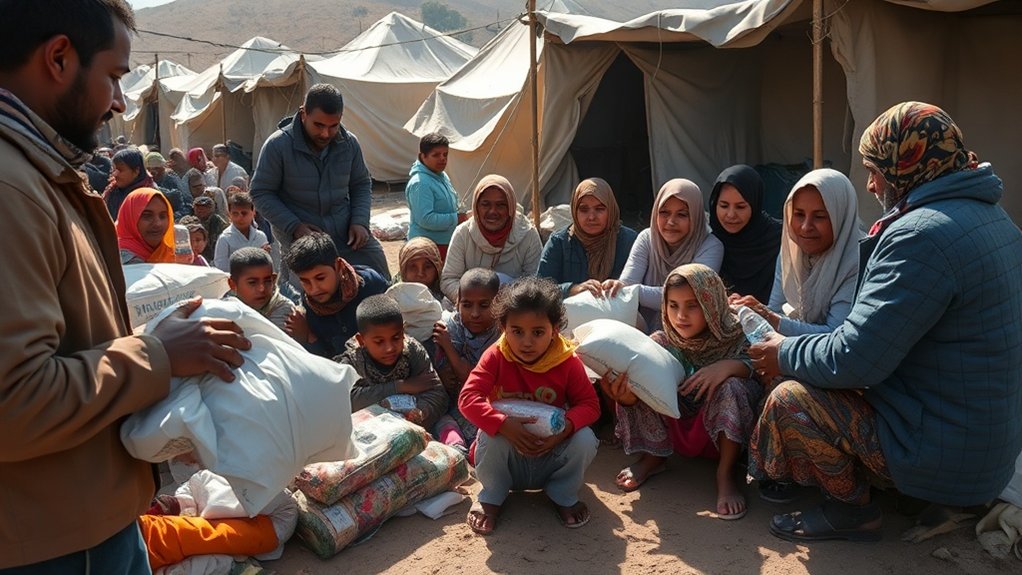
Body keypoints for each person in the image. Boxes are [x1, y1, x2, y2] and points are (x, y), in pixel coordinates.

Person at [0, 1, 249, 570]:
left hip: (81, 520)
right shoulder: (11, 188)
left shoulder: (36, 176)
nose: (119, 100)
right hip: (58, 540)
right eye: (114, 75)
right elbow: (13, 401)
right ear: (59, 57)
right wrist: (158, 356)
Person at [748, 102, 1022, 543]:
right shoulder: (994, 219)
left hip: (946, 453)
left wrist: (782, 352)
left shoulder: (921, 235)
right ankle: (914, 494)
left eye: (876, 169)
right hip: (983, 448)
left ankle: (851, 510)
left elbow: (855, 358)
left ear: (905, 166)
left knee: (790, 400)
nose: (872, 183)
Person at [601, 263, 759, 520]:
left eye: (692, 306)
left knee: (732, 386)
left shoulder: (739, 333)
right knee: (641, 368)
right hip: (677, 419)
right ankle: (654, 457)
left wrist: (729, 366)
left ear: (712, 303)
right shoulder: (665, 341)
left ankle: (725, 473)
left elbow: (765, 369)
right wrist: (627, 398)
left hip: (721, 434)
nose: (680, 316)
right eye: (672, 305)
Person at [459, 277, 601, 534]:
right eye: (517, 331)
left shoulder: (567, 361)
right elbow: (468, 399)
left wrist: (565, 430)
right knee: (489, 435)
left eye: (538, 332)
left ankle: (562, 494)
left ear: (554, 329)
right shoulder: (496, 356)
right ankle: (492, 495)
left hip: (550, 453)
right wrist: (504, 426)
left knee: (585, 439)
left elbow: (590, 405)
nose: (526, 342)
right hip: (508, 458)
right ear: (503, 327)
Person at [251, 83, 391, 280]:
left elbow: (361, 184)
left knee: (380, 283)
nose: (325, 134)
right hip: (303, 242)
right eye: (319, 125)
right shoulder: (277, 146)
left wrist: (360, 222)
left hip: (347, 236)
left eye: (333, 126)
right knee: (310, 298)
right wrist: (295, 226)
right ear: (303, 114)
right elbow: (260, 193)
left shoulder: (349, 144)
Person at [731, 169, 861, 337]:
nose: (806, 227)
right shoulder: (793, 251)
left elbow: (836, 335)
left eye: (819, 216)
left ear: (840, 217)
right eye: (799, 214)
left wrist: (769, 318)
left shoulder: (857, 260)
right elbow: (776, 310)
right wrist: (747, 311)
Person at [616, 179, 723, 332]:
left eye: (682, 214)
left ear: (695, 215)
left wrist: (633, 292)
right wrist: (618, 289)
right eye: (664, 212)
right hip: (644, 331)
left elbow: (688, 292)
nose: (671, 222)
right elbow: (625, 285)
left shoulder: (711, 246)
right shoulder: (647, 238)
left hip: (689, 335)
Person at [336, 294, 448, 429]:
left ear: (403, 332)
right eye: (379, 342)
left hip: (411, 426)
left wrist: (421, 413)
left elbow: (437, 392)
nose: (389, 348)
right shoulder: (352, 361)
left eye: (396, 338)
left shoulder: (412, 350)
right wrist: (400, 386)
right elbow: (345, 400)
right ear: (361, 340)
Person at [283, 232, 388, 358]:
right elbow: (325, 362)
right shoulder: (309, 308)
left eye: (320, 278)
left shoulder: (371, 285)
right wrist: (308, 337)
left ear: (338, 266)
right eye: (305, 281)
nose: (314, 289)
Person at [440, 174, 543, 303]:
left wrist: (507, 304)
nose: (492, 211)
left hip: (513, 310)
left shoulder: (528, 235)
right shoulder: (463, 233)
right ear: (476, 207)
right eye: (485, 204)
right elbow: (449, 279)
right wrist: (471, 302)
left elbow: (535, 281)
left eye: (500, 205)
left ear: (510, 207)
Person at [433, 268, 502, 452]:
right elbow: (445, 378)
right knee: (440, 417)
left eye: (484, 305)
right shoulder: (451, 327)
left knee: (490, 427)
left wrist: (449, 349)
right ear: (457, 303)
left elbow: (474, 380)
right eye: (467, 305)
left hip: (487, 401)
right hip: (454, 403)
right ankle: (455, 443)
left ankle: (474, 448)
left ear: (498, 303)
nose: (475, 313)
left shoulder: (502, 335)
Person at [538, 177, 638, 298]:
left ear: (611, 209)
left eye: (599, 209)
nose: (591, 217)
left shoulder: (628, 241)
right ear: (574, 210)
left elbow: (639, 284)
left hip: (616, 314)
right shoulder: (559, 242)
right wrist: (573, 289)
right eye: (583, 209)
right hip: (569, 315)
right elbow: (540, 289)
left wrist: (621, 286)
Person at [708, 165, 781, 302]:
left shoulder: (780, 238)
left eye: (740, 207)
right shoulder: (709, 241)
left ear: (755, 204)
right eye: (723, 206)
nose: (730, 215)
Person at [406, 132, 462, 258]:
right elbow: (426, 219)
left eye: (445, 154)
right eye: (436, 155)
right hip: (428, 247)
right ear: (423, 156)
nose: (442, 158)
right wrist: (458, 219)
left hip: (444, 243)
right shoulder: (420, 183)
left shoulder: (441, 176)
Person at [228, 247, 296, 332]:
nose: (262, 289)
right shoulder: (227, 309)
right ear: (232, 284)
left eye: (267, 281)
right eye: (252, 282)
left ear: (274, 279)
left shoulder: (283, 310)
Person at [117, 188, 176, 264]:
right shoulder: (122, 261)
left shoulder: (173, 252)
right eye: (147, 216)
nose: (157, 223)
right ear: (129, 218)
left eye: (162, 216)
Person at [213, 192, 269, 272]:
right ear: (229, 214)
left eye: (244, 213)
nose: (240, 218)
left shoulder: (260, 236)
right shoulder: (225, 238)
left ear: (253, 212)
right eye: (235, 213)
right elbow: (221, 266)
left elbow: (266, 265)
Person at [396, 236, 449, 309]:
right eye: (413, 267)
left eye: (427, 267)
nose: (420, 274)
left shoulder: (448, 301)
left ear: (437, 268)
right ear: (403, 270)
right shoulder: (394, 300)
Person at [103, 146, 154, 218]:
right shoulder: (112, 191)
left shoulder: (150, 195)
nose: (115, 174)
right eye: (114, 170)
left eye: (120, 170)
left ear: (136, 171)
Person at [146, 151, 188, 218]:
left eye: (156, 168)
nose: (153, 171)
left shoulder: (171, 179)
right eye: (149, 169)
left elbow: (184, 201)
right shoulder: (146, 181)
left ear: (163, 168)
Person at [191, 195, 227, 262]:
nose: (201, 209)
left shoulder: (217, 221)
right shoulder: (190, 220)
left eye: (205, 207)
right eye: (198, 206)